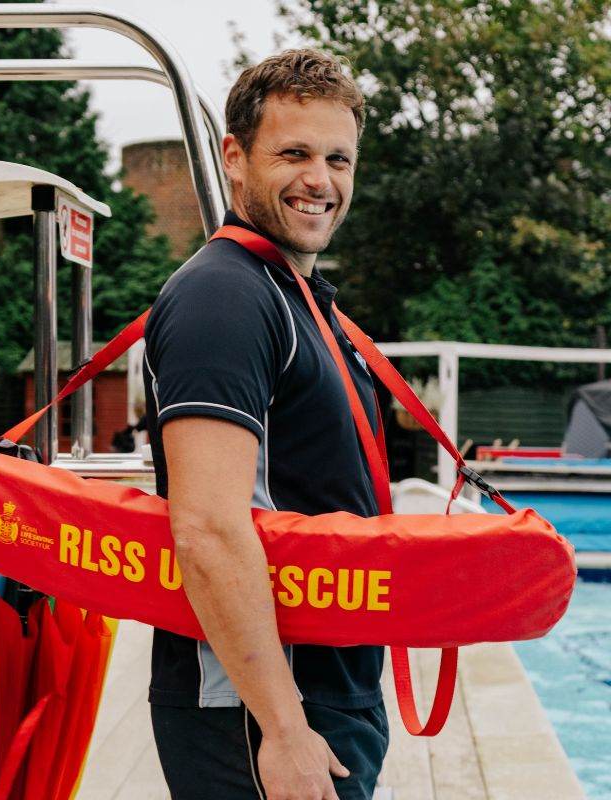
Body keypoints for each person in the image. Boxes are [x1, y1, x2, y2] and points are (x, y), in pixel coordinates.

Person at [143, 49, 388, 800]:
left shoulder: (294, 297)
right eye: (295, 153)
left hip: (318, 692)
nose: (322, 180)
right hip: (257, 711)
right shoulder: (226, 299)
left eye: (338, 158)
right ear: (235, 157)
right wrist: (283, 730)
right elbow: (210, 526)